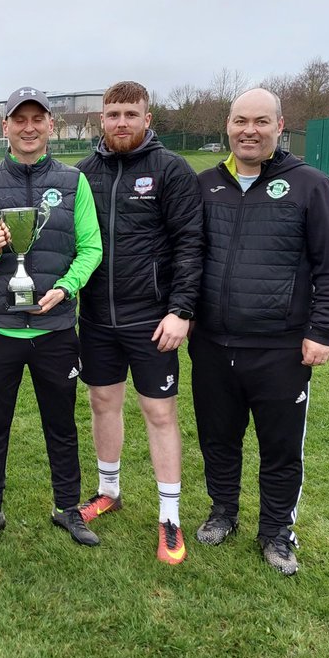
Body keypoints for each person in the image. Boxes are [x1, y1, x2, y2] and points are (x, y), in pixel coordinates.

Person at [191, 87, 329, 575]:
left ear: (280, 126)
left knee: (280, 446)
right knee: (218, 437)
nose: (249, 131)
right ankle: (223, 512)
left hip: (280, 348)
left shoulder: (310, 185)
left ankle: (278, 531)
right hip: (213, 343)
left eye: (261, 121)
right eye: (241, 121)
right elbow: (186, 258)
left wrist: (322, 331)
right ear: (228, 126)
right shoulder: (205, 185)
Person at [0, 86, 103, 548]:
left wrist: (65, 287)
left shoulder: (73, 182)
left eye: (37, 119)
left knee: (60, 424)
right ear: (6, 127)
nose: (28, 127)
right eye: (19, 119)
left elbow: (91, 247)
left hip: (55, 329)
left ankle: (68, 507)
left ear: (50, 126)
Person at [75, 81, 202, 565]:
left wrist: (181, 310)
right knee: (103, 402)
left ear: (148, 119)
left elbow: (191, 244)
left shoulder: (170, 170)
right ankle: (108, 490)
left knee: (160, 413)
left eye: (131, 113)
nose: (121, 122)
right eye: (112, 114)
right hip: (96, 318)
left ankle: (170, 516)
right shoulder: (83, 174)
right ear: (101, 120)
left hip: (154, 320)